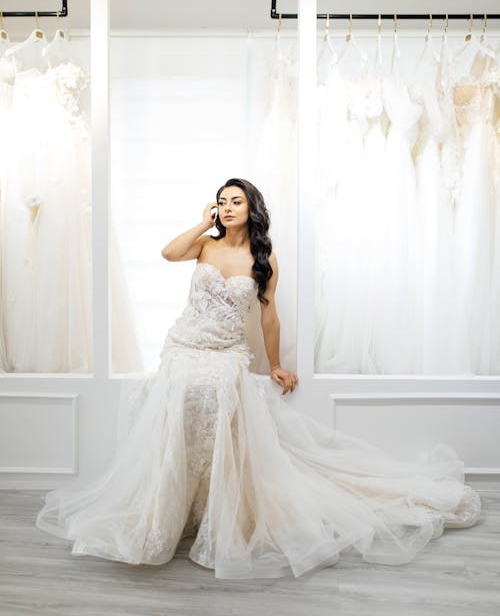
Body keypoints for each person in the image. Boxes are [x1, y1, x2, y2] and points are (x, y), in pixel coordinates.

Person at [35, 177, 481, 580]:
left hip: (227, 353)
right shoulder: (204, 246)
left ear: (253, 208)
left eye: (235, 201)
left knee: (223, 391)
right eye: (221, 202)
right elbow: (168, 253)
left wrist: (273, 366)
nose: (227, 208)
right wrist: (200, 223)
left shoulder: (263, 259)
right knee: (179, 389)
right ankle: (171, 507)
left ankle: (218, 509)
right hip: (185, 347)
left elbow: (270, 320)